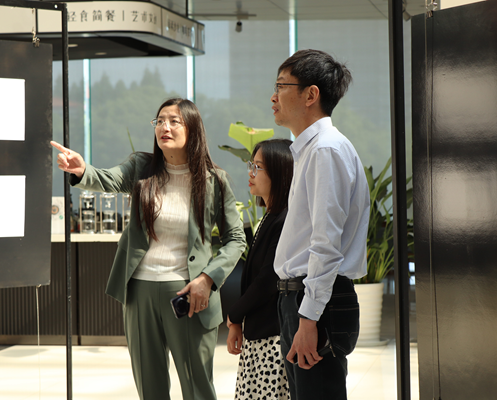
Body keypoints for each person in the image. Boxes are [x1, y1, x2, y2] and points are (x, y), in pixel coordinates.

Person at [51, 98, 246, 400]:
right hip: (140, 292)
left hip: (189, 294)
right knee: (150, 388)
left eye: (174, 121)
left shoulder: (214, 181)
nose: (164, 127)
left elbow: (236, 238)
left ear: (193, 129)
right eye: (160, 121)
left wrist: (207, 279)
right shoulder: (142, 168)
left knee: (197, 388)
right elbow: (108, 179)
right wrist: (83, 169)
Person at [271, 49, 370, 400]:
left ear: (310, 95)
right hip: (304, 298)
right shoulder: (312, 150)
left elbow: (326, 243)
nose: (273, 96)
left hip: (316, 301)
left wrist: (309, 318)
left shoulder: (326, 150)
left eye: (281, 86)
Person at [226, 139, 293, 400]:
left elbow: (268, 279)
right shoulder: (271, 216)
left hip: (272, 339)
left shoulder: (284, 220)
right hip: (260, 336)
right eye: (250, 165)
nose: (251, 173)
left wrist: (235, 314)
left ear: (280, 172)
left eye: (258, 167)